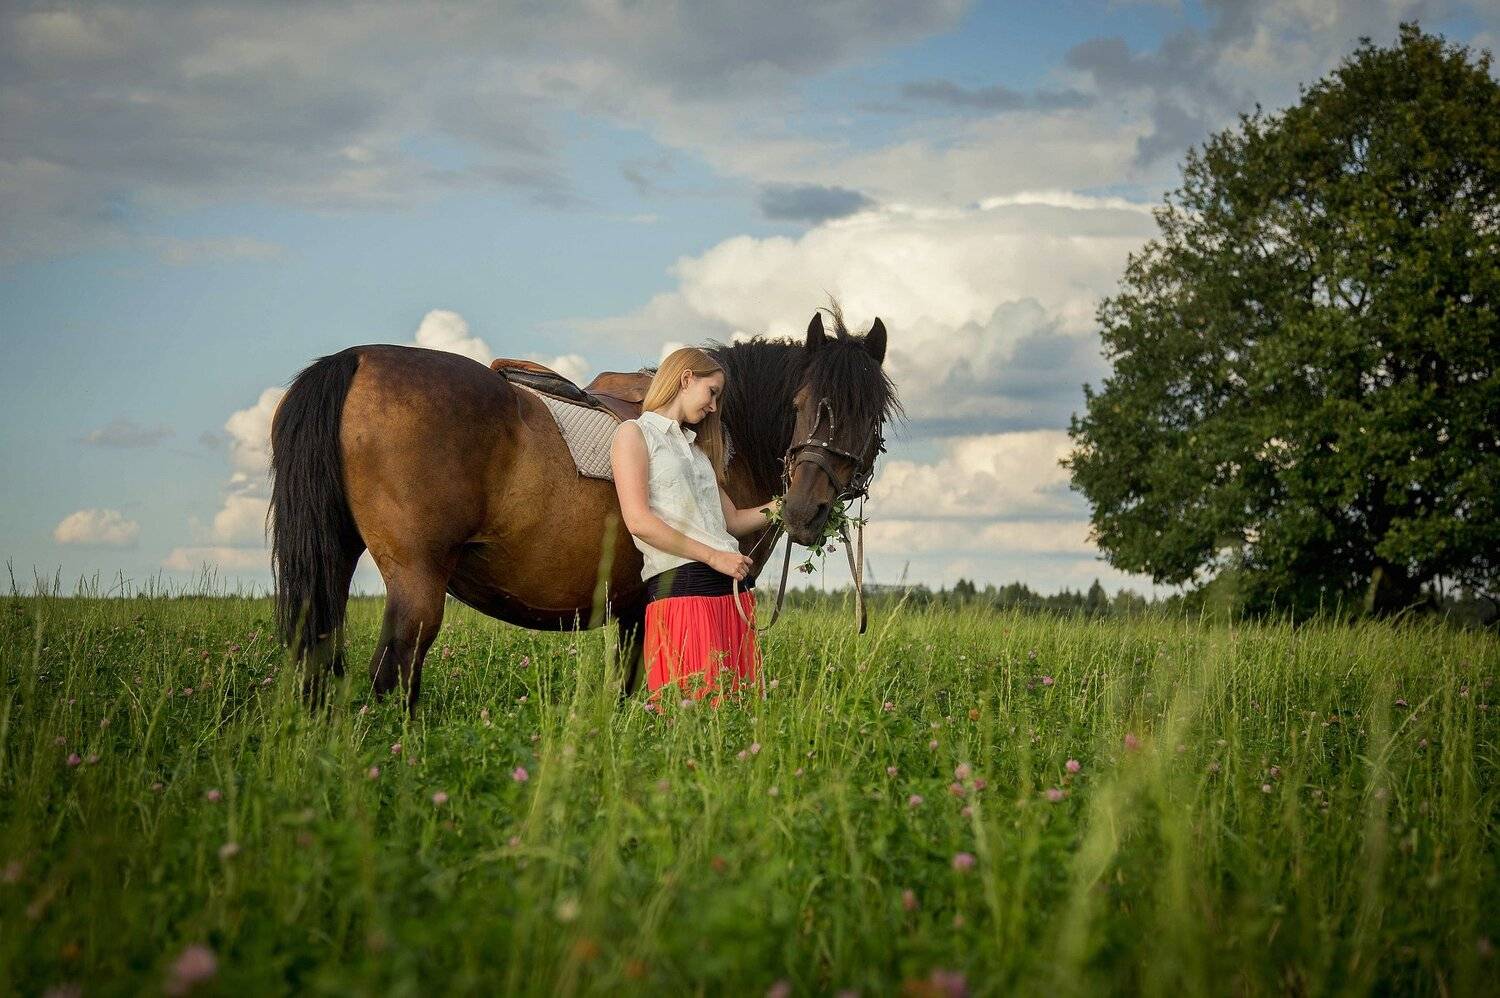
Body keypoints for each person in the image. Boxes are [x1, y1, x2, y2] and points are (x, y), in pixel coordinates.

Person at [609, 347, 774, 706]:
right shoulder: (634, 435)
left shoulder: (699, 453)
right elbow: (639, 521)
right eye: (711, 392)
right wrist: (714, 557)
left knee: (738, 715)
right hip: (684, 593)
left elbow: (732, 522)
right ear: (686, 379)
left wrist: (785, 507)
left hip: (733, 594)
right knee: (691, 715)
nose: (714, 406)